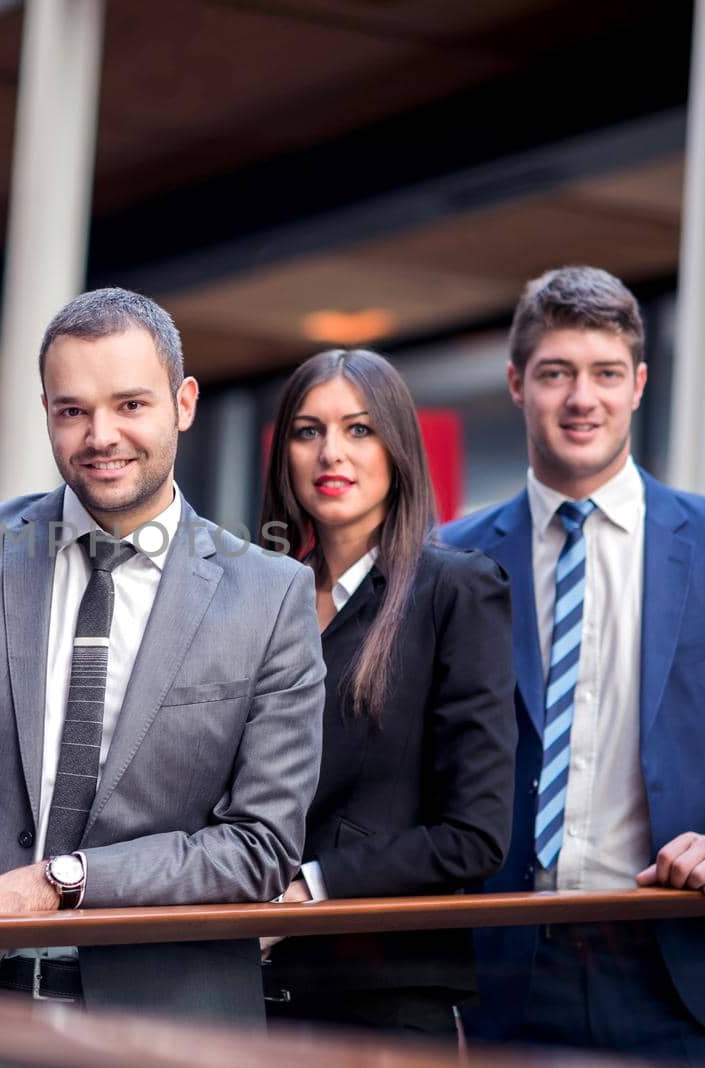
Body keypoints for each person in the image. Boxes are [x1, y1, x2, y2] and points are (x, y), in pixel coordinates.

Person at [0, 287, 326, 1022]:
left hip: (168, 1023)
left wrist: (60, 880)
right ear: (46, 413)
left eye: (131, 405)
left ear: (183, 403)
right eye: (73, 410)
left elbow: (258, 848)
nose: (101, 435)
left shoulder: (271, 594)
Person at [441, 265, 705, 1063]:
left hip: (693, 961)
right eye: (555, 373)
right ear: (516, 384)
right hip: (510, 973)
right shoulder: (449, 557)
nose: (580, 398)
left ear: (637, 384)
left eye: (603, 374)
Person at [256, 349, 516, 1039]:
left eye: (359, 429)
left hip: (379, 994)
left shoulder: (456, 590)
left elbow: (475, 836)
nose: (330, 452)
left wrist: (310, 885)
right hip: (238, 983)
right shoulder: (258, 595)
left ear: (399, 447)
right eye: (308, 431)